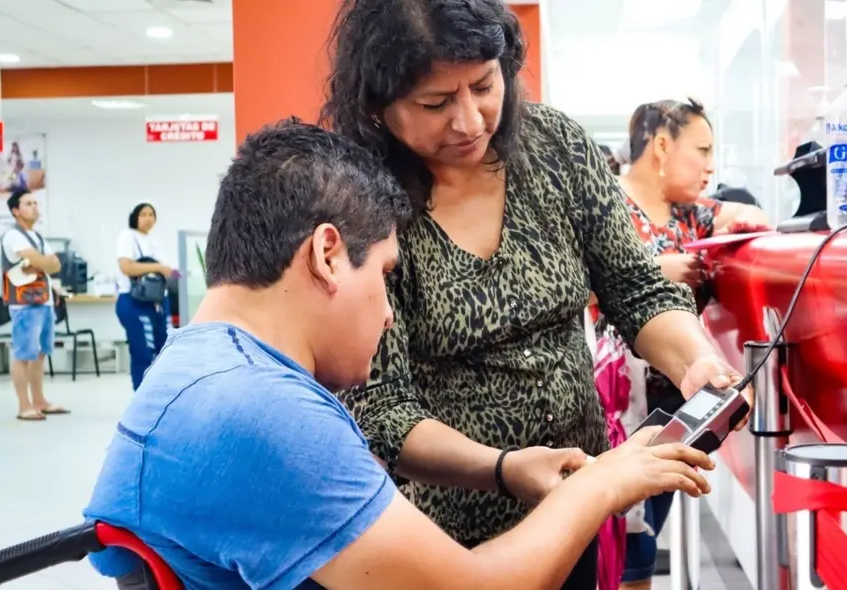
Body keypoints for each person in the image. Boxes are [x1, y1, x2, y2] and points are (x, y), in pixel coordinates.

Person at [82, 118, 715, 590]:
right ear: (328, 255)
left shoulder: (203, 367)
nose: (390, 313)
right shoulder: (263, 416)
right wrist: (603, 483)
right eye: (385, 275)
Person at [320, 1, 754, 586]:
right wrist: (503, 469)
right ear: (378, 106)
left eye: (483, 85)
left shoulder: (554, 147)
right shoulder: (364, 199)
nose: (470, 120)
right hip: (450, 535)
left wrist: (694, 359)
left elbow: (634, 286)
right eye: (436, 103)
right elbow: (382, 407)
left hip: (577, 503)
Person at [597, 99, 769, 589]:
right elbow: (567, 286)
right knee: (623, 538)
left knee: (643, 535)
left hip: (678, 403)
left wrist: (739, 216)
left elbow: (743, 210)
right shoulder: (604, 206)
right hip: (612, 404)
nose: (711, 164)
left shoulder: (690, 217)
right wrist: (656, 269)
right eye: (703, 149)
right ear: (663, 146)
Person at [1, 190, 69, 421]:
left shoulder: (37, 237)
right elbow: (45, 261)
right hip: (24, 304)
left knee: (40, 354)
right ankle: (24, 405)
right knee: (23, 354)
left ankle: (39, 400)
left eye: (35, 202)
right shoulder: (13, 236)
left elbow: (56, 265)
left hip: (45, 300)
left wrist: (39, 264)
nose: (34, 206)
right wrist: (42, 262)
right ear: (15, 210)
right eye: (28, 203)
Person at [114, 202, 174, 390]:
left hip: (156, 302)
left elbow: (167, 271)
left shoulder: (153, 240)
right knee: (142, 351)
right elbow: (126, 267)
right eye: (143, 214)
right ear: (135, 217)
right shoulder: (127, 237)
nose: (148, 218)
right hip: (133, 302)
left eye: (151, 214)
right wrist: (157, 267)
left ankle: (157, 394)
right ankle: (140, 395)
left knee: (161, 350)